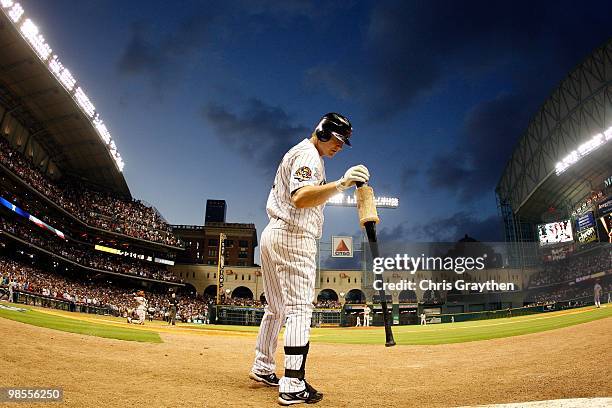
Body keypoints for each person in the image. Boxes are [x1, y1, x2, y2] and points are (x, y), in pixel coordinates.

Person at [250, 113, 368, 406]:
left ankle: (263, 366)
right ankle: (292, 384)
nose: (339, 147)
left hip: (274, 233)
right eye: (338, 140)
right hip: (293, 235)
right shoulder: (309, 155)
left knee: (276, 308)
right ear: (323, 132)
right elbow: (301, 197)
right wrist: (341, 184)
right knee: (300, 309)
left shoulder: (302, 153)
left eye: (344, 143)